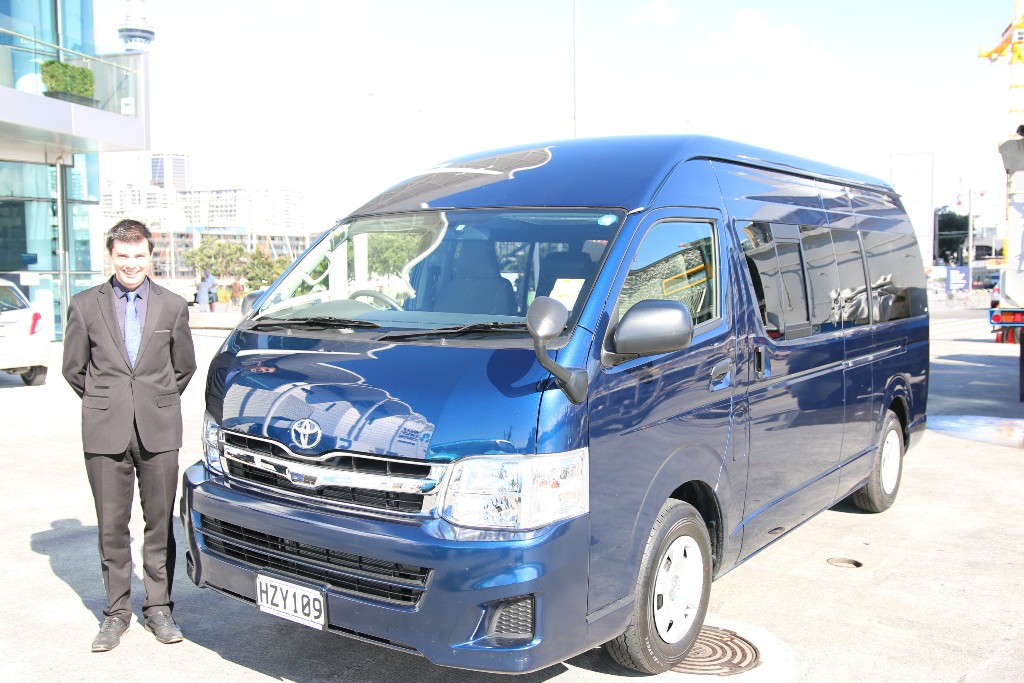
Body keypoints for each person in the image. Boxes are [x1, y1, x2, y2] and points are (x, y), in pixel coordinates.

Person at [61, 219, 197, 652]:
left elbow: (184, 367)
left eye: (139, 256)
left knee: (160, 523)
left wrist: (153, 400)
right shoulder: (85, 305)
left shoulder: (172, 306)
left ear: (150, 256)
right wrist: (109, 400)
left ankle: (159, 608)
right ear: (111, 255)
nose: (131, 264)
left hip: (159, 430)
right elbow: (73, 368)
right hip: (105, 430)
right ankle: (116, 612)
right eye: (123, 256)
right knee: (111, 528)